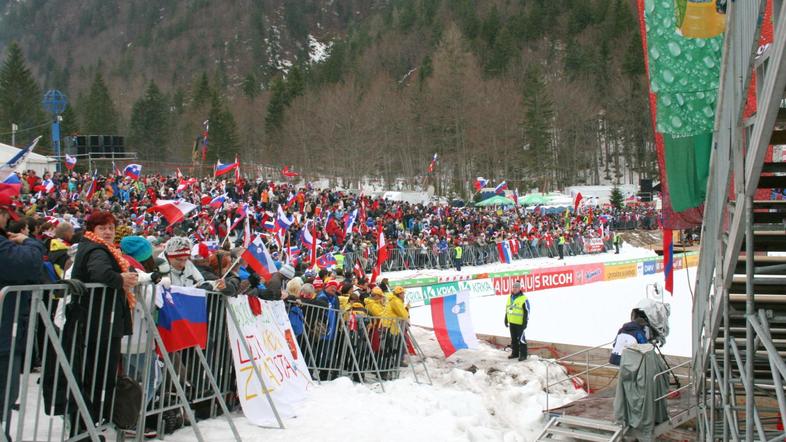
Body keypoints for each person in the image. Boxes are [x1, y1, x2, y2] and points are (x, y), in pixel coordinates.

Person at [69, 210, 139, 436]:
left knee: (99, 375)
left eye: (111, 227)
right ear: (93, 231)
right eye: (103, 228)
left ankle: (92, 424)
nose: (108, 232)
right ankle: (87, 426)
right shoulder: (96, 249)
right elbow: (99, 272)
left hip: (102, 320)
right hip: (98, 321)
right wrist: (120, 279)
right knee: (97, 376)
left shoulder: (100, 248)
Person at [0, 194, 45, 441]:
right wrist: (31, 243)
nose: (8, 219)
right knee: (5, 390)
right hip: (6, 331)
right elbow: (27, 266)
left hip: (9, 328)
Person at [504, 281, 530, 361]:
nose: (515, 289)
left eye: (516, 287)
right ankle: (515, 353)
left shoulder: (524, 298)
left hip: (520, 323)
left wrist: (525, 322)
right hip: (512, 322)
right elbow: (508, 309)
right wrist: (506, 318)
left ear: (519, 288)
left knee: (521, 339)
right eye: (514, 287)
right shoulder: (510, 297)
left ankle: (523, 355)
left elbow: (527, 311)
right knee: (513, 339)